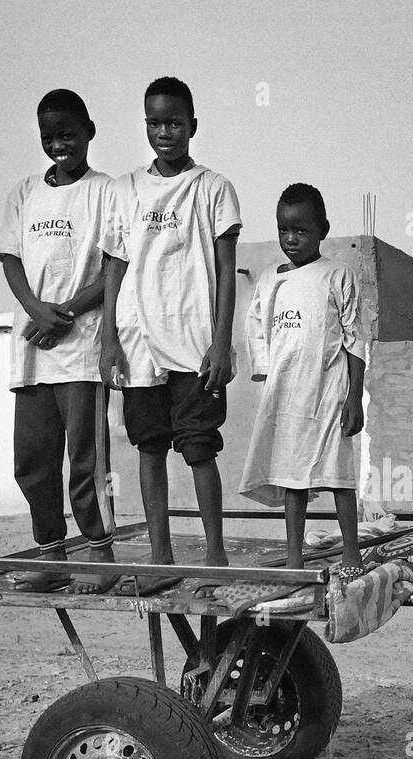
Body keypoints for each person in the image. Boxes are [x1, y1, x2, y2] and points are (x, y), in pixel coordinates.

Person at [99, 76, 240, 596]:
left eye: (175, 123)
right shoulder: (124, 190)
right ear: (146, 125)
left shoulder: (213, 188)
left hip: (194, 340)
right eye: (155, 123)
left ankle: (215, 555)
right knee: (150, 446)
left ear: (192, 126)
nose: (165, 132)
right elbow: (114, 265)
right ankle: (161, 558)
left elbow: (226, 270)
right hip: (138, 342)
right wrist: (108, 338)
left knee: (199, 448)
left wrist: (221, 342)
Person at [0, 88, 118, 593]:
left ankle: (100, 554)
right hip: (33, 348)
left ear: (89, 131)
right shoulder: (24, 192)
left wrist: (65, 314)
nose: (59, 144)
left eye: (68, 134)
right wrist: (36, 310)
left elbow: (114, 267)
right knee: (33, 460)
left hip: (81, 349)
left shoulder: (106, 191)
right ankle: (51, 555)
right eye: (49, 136)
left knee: (87, 461)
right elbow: (10, 258)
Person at [240, 183, 366, 581]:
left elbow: (355, 339)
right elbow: (256, 328)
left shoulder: (338, 275)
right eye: (284, 230)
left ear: (322, 230)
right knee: (293, 480)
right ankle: (294, 556)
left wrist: (354, 398)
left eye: (301, 230)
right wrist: (267, 375)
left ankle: (351, 552)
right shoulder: (268, 280)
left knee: (338, 476)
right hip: (287, 397)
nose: (291, 239)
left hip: (328, 392)